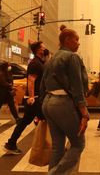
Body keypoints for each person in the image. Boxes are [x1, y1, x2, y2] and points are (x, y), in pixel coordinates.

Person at [41, 25, 89, 175]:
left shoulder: (51, 59)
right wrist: (84, 113)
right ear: (67, 40)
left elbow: (42, 86)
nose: (78, 43)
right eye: (76, 39)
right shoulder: (72, 57)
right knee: (78, 144)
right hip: (63, 103)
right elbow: (77, 87)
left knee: (58, 147)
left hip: (48, 103)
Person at [4, 41, 46, 154]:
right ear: (38, 50)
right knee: (49, 119)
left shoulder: (39, 62)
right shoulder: (35, 63)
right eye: (43, 47)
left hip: (35, 97)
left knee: (25, 121)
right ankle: (54, 146)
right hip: (35, 98)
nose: (45, 48)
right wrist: (32, 97)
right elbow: (31, 80)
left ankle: (11, 143)